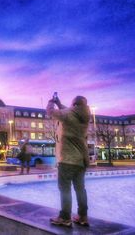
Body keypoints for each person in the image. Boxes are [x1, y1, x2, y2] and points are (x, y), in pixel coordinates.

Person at [46, 94, 91, 228]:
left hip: (67, 159)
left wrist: (51, 102)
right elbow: (68, 112)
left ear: (74, 104)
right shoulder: (84, 116)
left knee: (65, 189)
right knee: (80, 189)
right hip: (81, 160)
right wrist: (60, 104)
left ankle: (65, 217)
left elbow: (51, 112)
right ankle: (83, 216)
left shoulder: (68, 114)